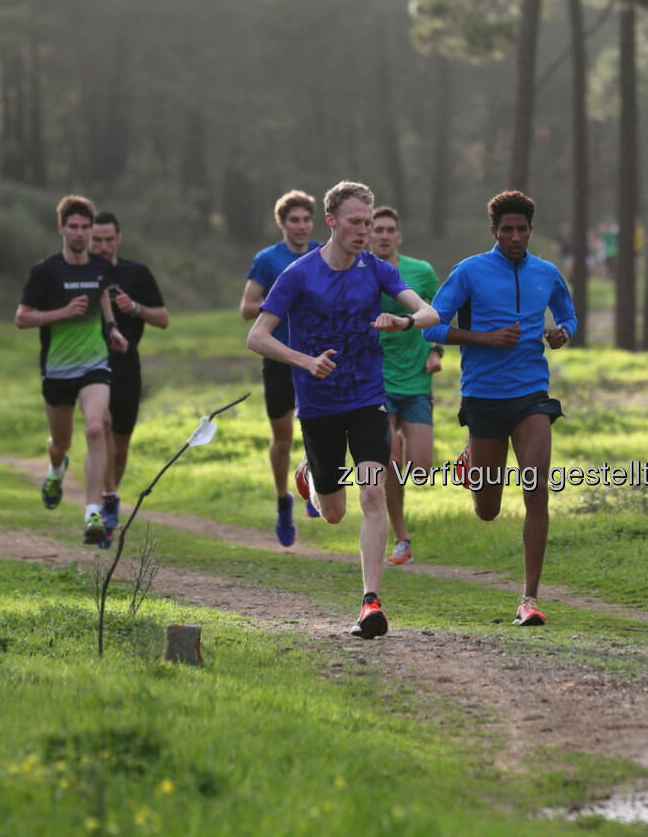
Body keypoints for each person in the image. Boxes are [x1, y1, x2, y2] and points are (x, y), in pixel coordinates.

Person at [246, 181, 439, 638]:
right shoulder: (297, 274)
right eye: (355, 222)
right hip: (317, 406)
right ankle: (309, 475)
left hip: (368, 398)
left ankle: (370, 602)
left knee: (372, 495)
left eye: (369, 224)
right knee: (332, 512)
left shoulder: (376, 270)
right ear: (331, 221)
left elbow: (431, 313)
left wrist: (404, 320)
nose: (364, 231)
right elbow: (257, 336)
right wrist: (304, 360)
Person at [422, 190, 577, 627]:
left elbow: (568, 314)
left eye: (521, 229)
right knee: (487, 509)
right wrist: (484, 338)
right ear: (493, 231)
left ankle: (529, 598)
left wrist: (562, 331)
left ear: (531, 230)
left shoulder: (546, 273)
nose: (514, 236)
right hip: (484, 397)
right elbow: (430, 329)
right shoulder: (469, 272)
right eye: (506, 229)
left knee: (536, 487)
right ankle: (472, 458)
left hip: (531, 395)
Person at [15, 195, 129, 547]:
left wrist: (112, 329)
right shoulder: (45, 271)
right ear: (61, 228)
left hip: (94, 364)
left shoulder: (99, 267)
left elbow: (103, 299)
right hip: (57, 370)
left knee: (97, 428)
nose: (80, 233)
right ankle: (55, 470)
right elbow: (22, 318)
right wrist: (61, 313)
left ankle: (92, 512)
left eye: (85, 227)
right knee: (60, 442)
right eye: (73, 227)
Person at [240, 190, 323, 546]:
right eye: (294, 220)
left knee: (321, 429)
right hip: (277, 358)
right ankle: (282, 500)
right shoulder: (267, 260)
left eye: (306, 219)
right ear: (282, 223)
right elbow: (246, 308)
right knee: (284, 437)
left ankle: (314, 485)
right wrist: (279, 301)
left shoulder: (324, 254)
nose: (301, 226)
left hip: (316, 356)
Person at [367, 206, 443, 567]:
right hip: (377, 381)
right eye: (376, 229)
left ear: (398, 236)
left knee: (421, 467)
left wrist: (436, 350)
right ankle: (401, 538)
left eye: (389, 230)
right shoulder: (360, 272)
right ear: (368, 235)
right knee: (390, 462)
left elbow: (440, 311)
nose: (383, 235)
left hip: (416, 380)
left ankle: (398, 534)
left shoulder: (421, 271)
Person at [88, 211, 169, 538]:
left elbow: (163, 319)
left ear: (118, 239)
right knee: (100, 425)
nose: (104, 246)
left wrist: (133, 308)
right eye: (97, 240)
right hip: (91, 364)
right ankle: (107, 497)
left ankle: (110, 498)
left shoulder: (136, 273)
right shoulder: (80, 274)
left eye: (109, 239)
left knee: (120, 447)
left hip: (127, 367)